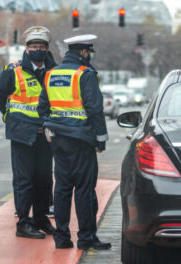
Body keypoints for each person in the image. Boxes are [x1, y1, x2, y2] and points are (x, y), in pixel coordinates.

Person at [37, 34, 110, 250]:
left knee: (62, 189)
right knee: (84, 190)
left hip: (58, 141)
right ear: (84, 52)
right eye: (89, 53)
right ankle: (86, 239)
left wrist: (50, 127)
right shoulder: (84, 74)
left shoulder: (51, 74)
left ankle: (62, 239)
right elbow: (95, 109)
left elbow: (42, 107)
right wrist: (101, 139)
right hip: (81, 139)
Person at [0, 26, 56, 239]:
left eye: (41, 46)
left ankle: (40, 219)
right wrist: (9, 116)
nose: (37, 50)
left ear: (47, 49)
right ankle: (24, 223)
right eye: (33, 46)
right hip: (22, 134)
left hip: (45, 133)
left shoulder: (54, 71)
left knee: (44, 179)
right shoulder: (14, 70)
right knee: (24, 179)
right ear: (27, 49)